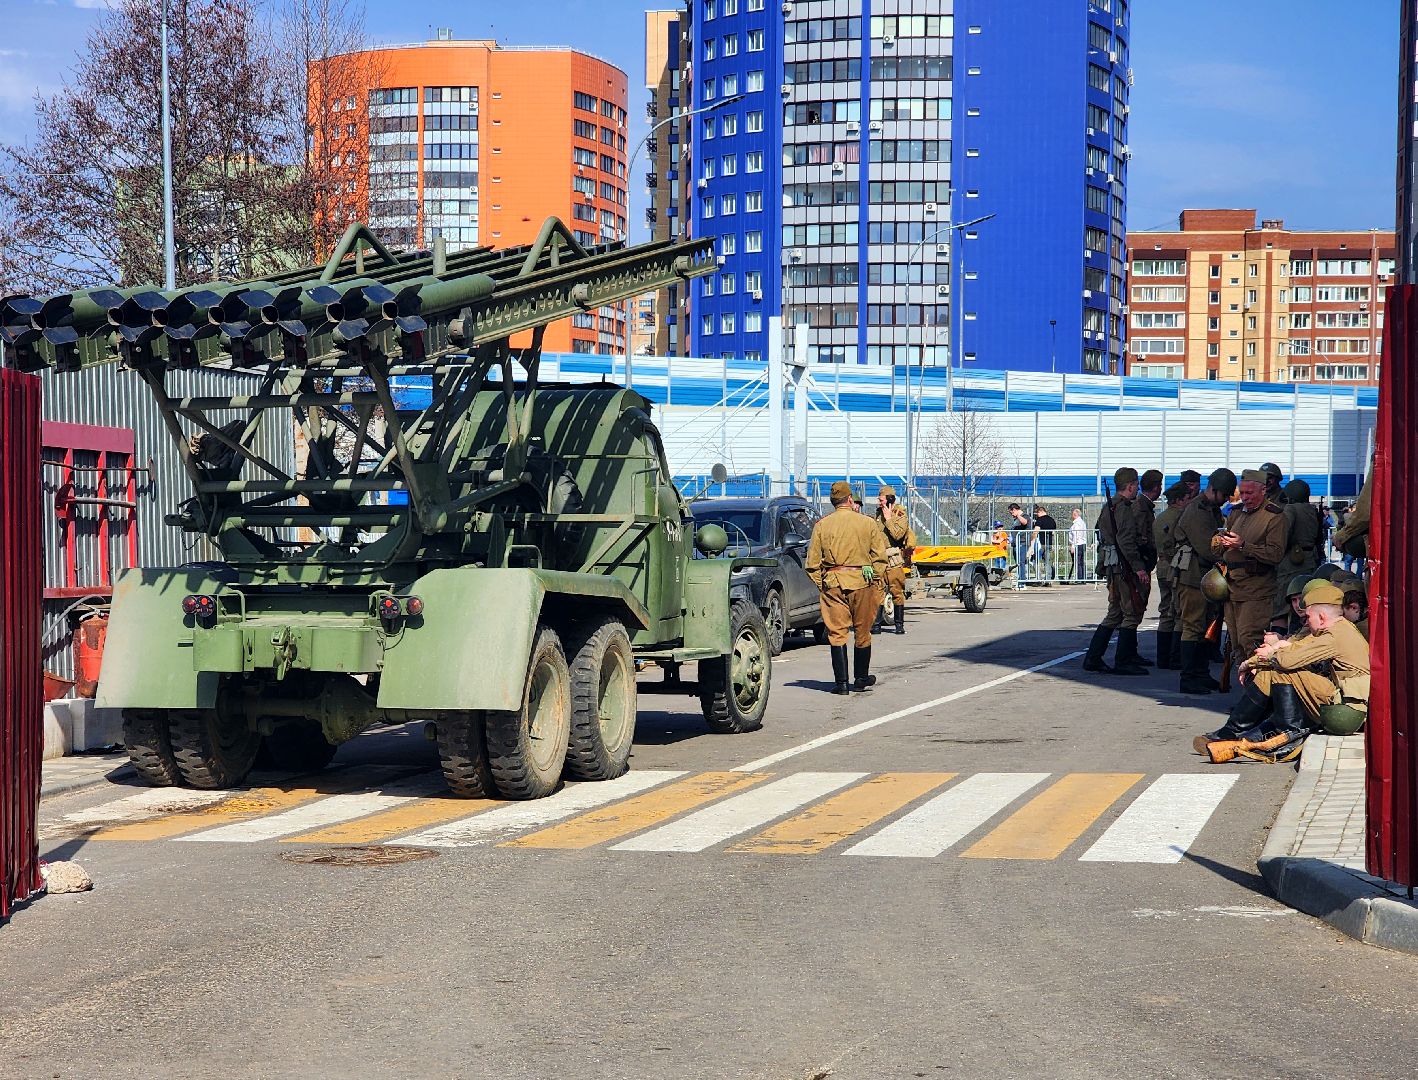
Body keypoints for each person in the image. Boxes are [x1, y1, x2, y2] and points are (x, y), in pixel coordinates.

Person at [1194, 583, 1370, 761]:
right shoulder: (1338, 629)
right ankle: (1238, 732)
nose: (1307, 621)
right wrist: (1254, 662)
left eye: (1309, 617)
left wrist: (1251, 663)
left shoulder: (1333, 636)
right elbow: (1295, 649)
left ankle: (1286, 732)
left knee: (1281, 670)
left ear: (1322, 617)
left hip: (1348, 710)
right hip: (1344, 700)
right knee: (1274, 669)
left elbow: (1287, 659)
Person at [807, 481, 889, 695]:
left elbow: (812, 564)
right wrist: (875, 579)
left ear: (833, 502)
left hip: (833, 582)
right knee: (863, 632)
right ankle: (861, 678)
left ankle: (842, 684)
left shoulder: (821, 525)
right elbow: (880, 558)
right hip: (862, 581)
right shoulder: (867, 522)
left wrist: (823, 583)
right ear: (850, 499)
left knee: (837, 633)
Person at [1213, 468, 1287, 670]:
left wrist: (1244, 545)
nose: (1244, 498)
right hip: (1232, 587)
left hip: (1257, 588)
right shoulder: (1236, 514)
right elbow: (1221, 549)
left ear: (1263, 490)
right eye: (1242, 493)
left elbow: (1275, 554)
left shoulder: (1274, 516)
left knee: (1250, 641)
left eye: (1249, 493)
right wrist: (1219, 543)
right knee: (1236, 643)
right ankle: (1246, 691)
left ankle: (1257, 694)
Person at [1173, 468, 1237, 695]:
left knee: (1202, 626)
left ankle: (1199, 673)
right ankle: (1188, 677)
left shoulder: (1209, 509)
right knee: (1192, 626)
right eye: (1224, 495)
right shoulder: (1198, 510)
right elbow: (1207, 548)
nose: (1225, 501)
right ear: (1216, 490)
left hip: (1203, 576)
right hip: (1192, 576)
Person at [1082, 467, 1151, 675]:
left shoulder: (1110, 507)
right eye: (1136, 484)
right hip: (1123, 566)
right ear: (1130, 486)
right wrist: (1139, 568)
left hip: (1114, 565)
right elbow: (1125, 540)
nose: (1137, 487)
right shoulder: (1123, 508)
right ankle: (1123, 661)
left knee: (1115, 613)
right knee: (1129, 613)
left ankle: (1093, 658)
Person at [1273, 478, 1322, 632]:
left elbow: (1283, 535)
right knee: (1303, 604)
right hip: (1310, 560)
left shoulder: (1290, 509)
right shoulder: (1312, 510)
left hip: (1290, 562)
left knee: (1280, 608)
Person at [1152, 482, 1191, 669]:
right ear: (1180, 499)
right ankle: (1176, 657)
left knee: (1165, 611)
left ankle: (1162, 657)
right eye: (1187, 498)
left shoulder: (1159, 518)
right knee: (1179, 613)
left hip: (1162, 566)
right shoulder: (1181, 517)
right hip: (1177, 567)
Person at [874, 485, 916, 635]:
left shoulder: (899, 514)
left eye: (882, 499)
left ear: (890, 499)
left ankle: (899, 625)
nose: (879, 502)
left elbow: (898, 535)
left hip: (893, 559)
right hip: (879, 559)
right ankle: (876, 625)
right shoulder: (878, 514)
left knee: (896, 591)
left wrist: (889, 519)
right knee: (877, 592)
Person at [1031, 505, 1058, 583]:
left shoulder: (1039, 520)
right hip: (1049, 543)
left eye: (1037, 514)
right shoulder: (1052, 520)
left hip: (1040, 544)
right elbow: (1053, 532)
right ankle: (1048, 580)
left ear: (1040, 512)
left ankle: (1038, 578)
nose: (1037, 516)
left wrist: (1031, 542)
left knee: (1035, 561)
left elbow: (1036, 531)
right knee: (1047, 562)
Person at [1007, 503, 1031, 580]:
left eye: (1012, 513)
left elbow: (1025, 522)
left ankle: (1022, 581)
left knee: (1021, 562)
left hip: (1022, 542)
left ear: (1014, 509)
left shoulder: (1025, 516)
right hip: (1015, 543)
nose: (1012, 515)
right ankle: (1021, 578)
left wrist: (1018, 515)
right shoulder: (1016, 519)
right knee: (1018, 562)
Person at [1068, 507, 1089, 581]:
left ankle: (1080, 578)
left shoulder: (1076, 524)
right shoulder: (1082, 522)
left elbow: (1075, 535)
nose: (1071, 516)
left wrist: (1073, 546)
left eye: (1073, 514)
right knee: (1081, 561)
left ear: (1075, 514)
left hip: (1077, 544)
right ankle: (1082, 577)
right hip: (1082, 543)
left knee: (1078, 562)